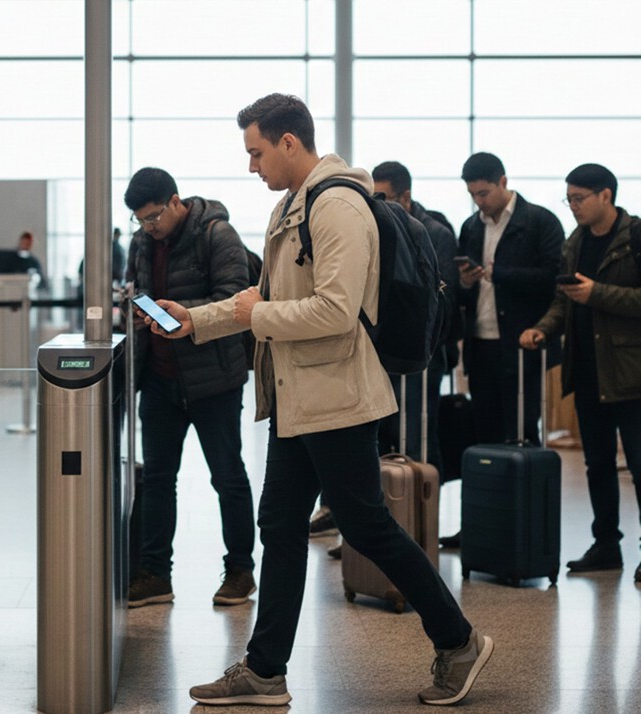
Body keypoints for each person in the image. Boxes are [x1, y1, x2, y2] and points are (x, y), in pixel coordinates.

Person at [144, 93, 492, 707]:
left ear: (288, 142)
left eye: (255, 152)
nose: (251, 165)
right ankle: (265, 670)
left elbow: (334, 310)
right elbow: (262, 297)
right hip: (299, 399)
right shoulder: (293, 207)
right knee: (280, 525)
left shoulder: (336, 207)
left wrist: (259, 315)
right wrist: (194, 320)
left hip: (336, 397)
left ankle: (459, 642)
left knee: (368, 526)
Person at [124, 167, 256, 608]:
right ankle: (155, 574)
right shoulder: (141, 242)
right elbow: (134, 292)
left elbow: (236, 299)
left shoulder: (217, 234)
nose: (150, 226)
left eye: (155, 216)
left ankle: (240, 570)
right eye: (142, 219)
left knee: (228, 476)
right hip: (159, 380)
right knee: (158, 479)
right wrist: (139, 310)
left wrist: (182, 313)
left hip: (213, 379)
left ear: (176, 201)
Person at [519, 163, 641, 582]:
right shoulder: (576, 242)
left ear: (605, 195)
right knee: (598, 465)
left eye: (579, 198)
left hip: (630, 373)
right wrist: (542, 328)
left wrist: (597, 293)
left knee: (640, 465)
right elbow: (564, 301)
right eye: (568, 199)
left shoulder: (635, 238)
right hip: (587, 371)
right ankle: (606, 544)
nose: (572, 206)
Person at [373, 161, 462, 551]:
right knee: (388, 438)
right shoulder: (382, 231)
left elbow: (439, 300)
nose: (378, 206)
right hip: (389, 354)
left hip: (423, 353)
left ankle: (421, 530)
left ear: (405, 197)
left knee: (420, 441)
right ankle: (388, 527)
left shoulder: (434, 233)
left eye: (385, 197)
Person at [456, 152, 563, 448]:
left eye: (484, 193)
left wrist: (499, 274)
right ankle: (490, 494)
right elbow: (463, 289)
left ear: (502, 181)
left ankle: (522, 494)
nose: (479, 201)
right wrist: (465, 281)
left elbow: (553, 278)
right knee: (485, 431)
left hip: (521, 342)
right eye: (472, 194)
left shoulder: (539, 221)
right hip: (480, 342)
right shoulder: (471, 226)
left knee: (522, 430)